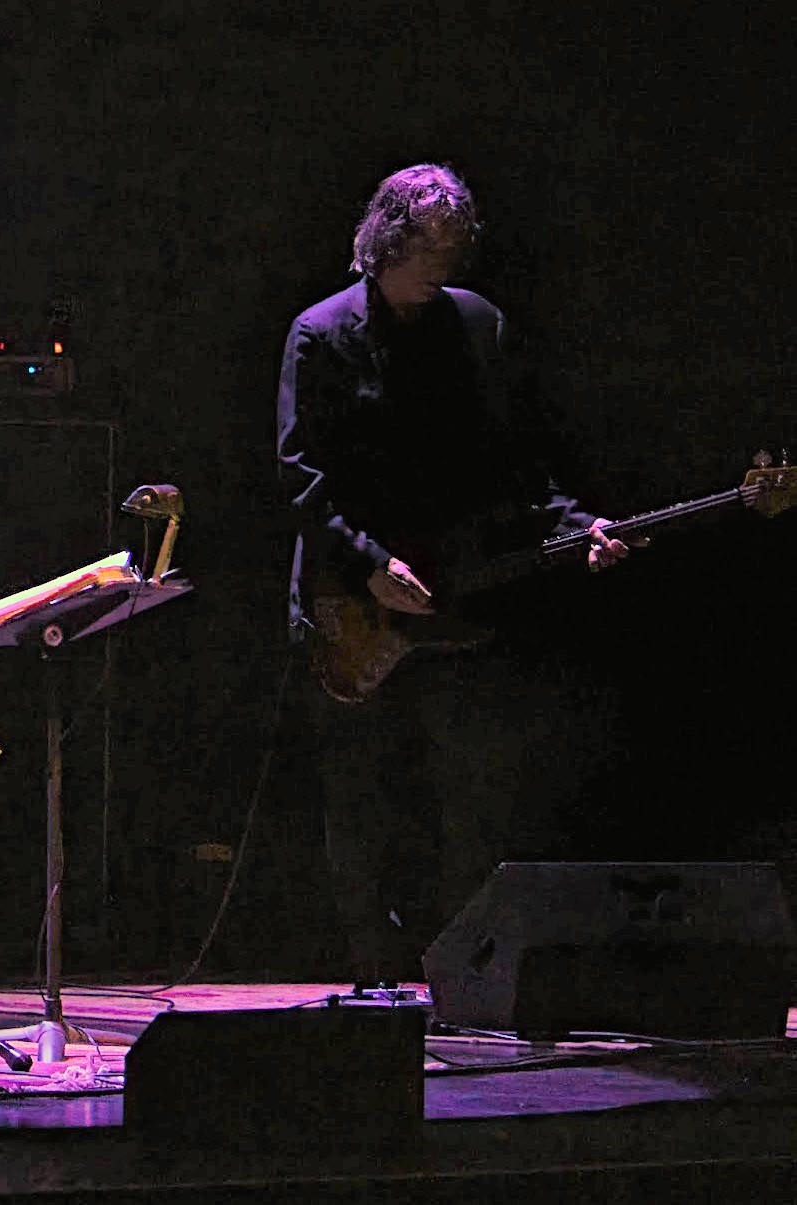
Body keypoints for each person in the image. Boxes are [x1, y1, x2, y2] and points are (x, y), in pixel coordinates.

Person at [276, 164, 625, 989]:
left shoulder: (477, 327)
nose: (442, 265)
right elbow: (299, 475)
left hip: (456, 605)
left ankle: (459, 981)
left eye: (453, 248)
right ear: (386, 241)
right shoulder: (320, 334)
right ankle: (374, 976)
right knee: (362, 804)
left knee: (465, 801)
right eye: (427, 248)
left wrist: (581, 529)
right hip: (353, 607)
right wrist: (368, 566)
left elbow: (518, 470)